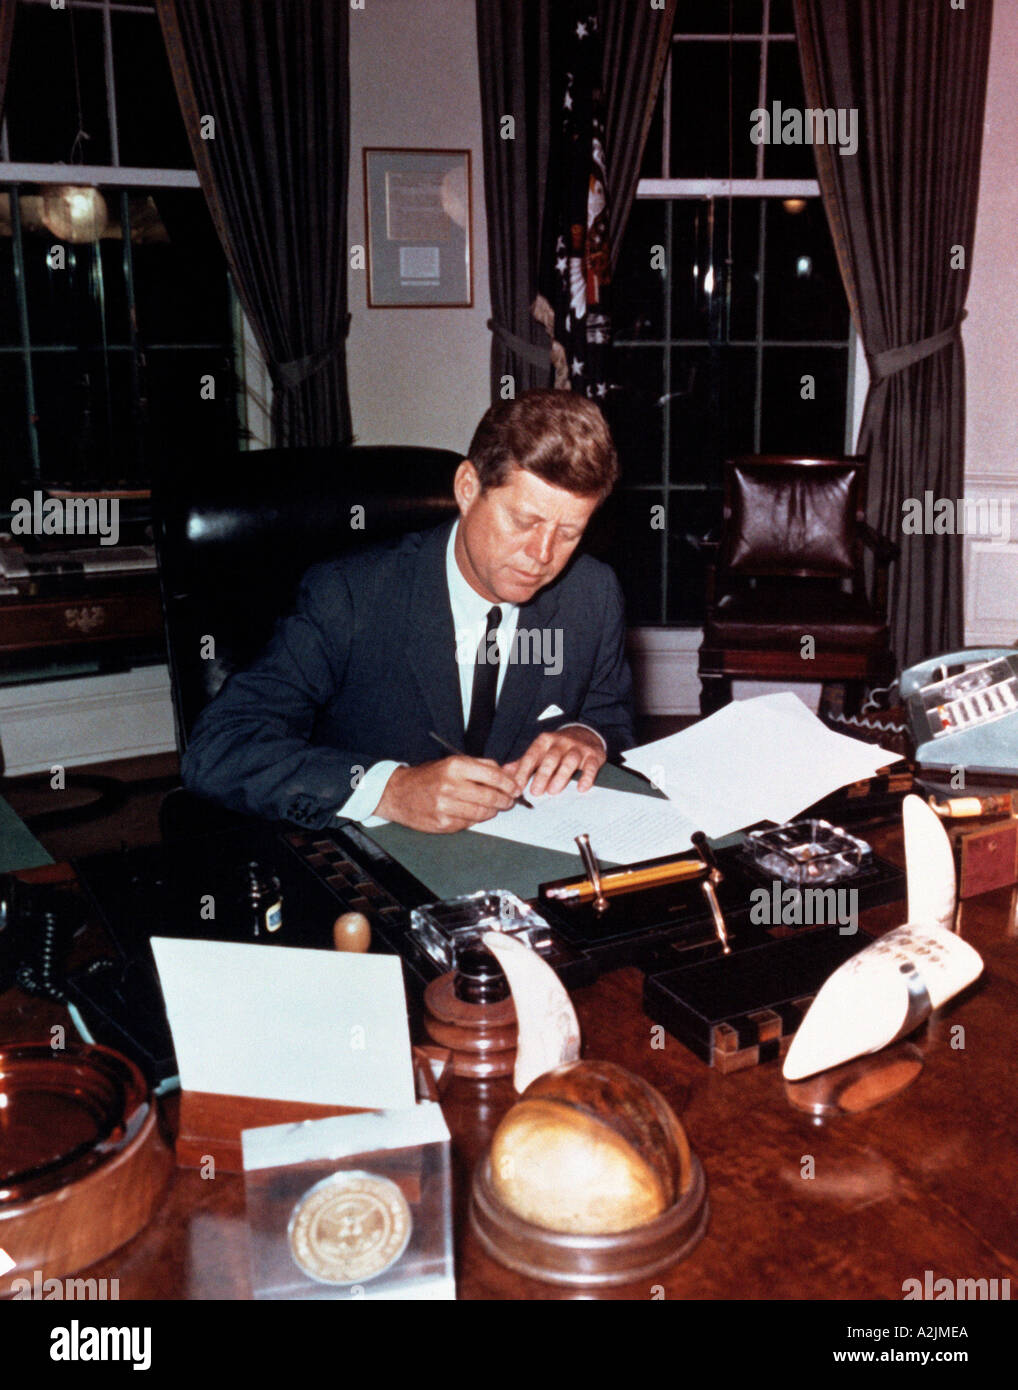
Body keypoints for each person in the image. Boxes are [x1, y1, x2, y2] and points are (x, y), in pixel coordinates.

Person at [182, 389, 634, 834]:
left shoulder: (592, 593)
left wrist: (585, 738)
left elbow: (608, 719)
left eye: (569, 532)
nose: (542, 554)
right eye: (523, 522)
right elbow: (218, 749)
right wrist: (389, 789)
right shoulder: (350, 595)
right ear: (467, 487)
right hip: (377, 866)